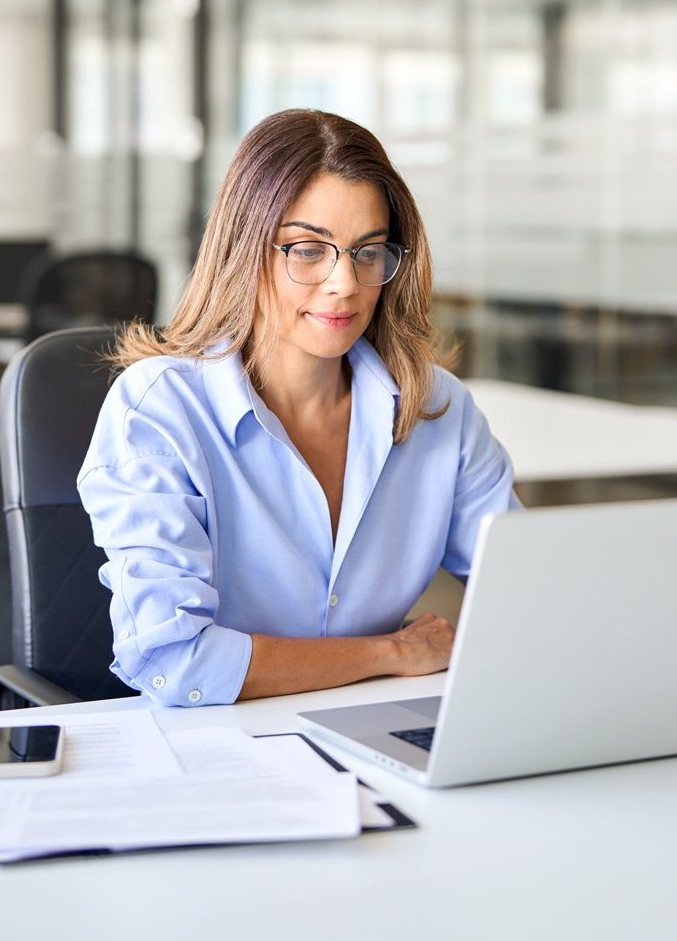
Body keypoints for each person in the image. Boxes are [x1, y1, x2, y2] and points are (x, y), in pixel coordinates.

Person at [77, 108, 520, 707]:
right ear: (245, 249)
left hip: (377, 726)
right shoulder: (159, 411)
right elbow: (174, 661)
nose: (345, 283)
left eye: (368, 252)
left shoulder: (437, 408)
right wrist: (389, 653)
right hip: (220, 745)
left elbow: (532, 594)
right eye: (309, 250)